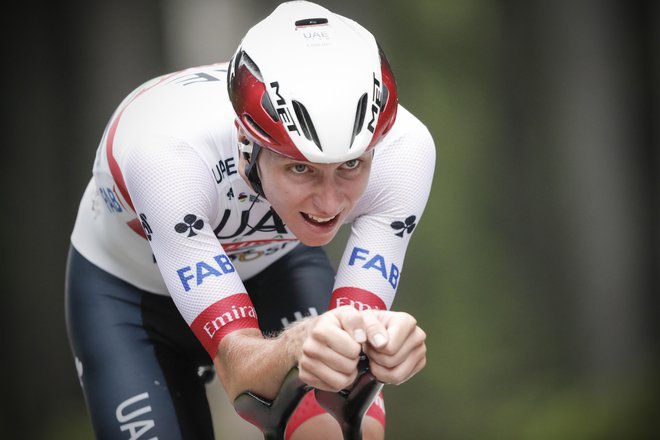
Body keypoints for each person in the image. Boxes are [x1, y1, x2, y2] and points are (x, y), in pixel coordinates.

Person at [65, 1, 435, 439]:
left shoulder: (404, 151)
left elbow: (350, 348)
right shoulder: (167, 156)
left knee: (339, 429)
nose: (331, 201)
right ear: (246, 143)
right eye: (301, 168)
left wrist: (379, 346)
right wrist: (299, 344)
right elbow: (238, 368)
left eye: (351, 165)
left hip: (272, 267)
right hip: (129, 296)